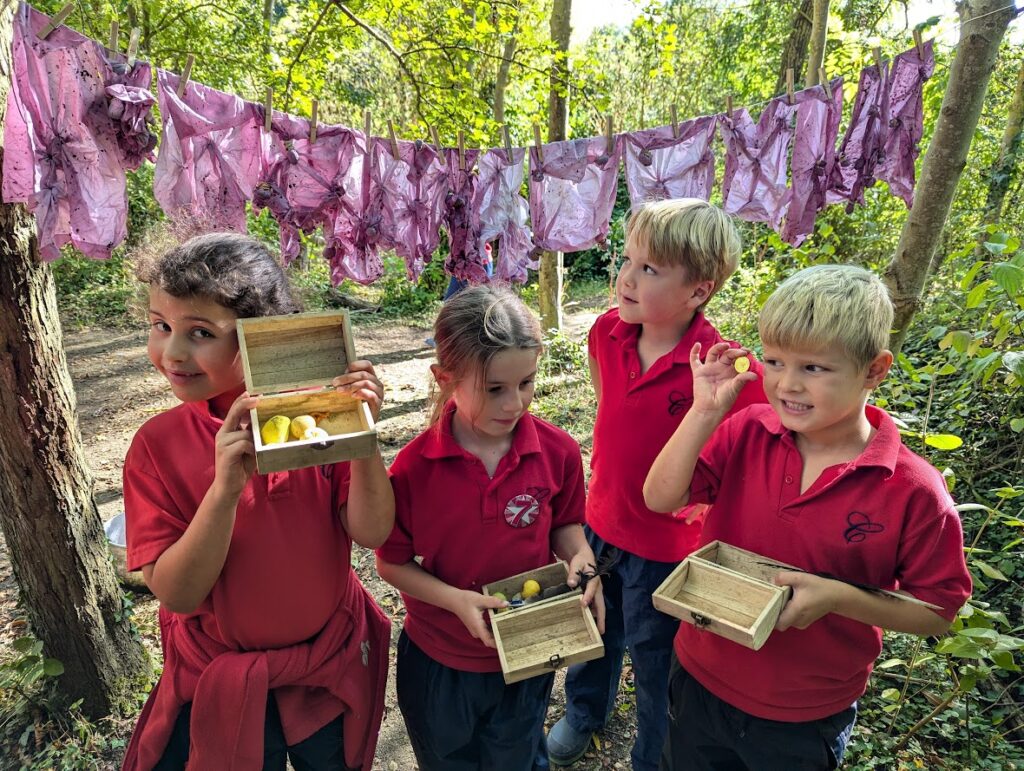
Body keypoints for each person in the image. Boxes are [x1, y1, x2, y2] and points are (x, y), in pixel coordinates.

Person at [643, 264, 972, 770]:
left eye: (814, 368)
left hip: (804, 713)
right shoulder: (748, 431)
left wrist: (839, 598)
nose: (787, 385)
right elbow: (660, 498)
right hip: (700, 675)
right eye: (774, 361)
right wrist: (704, 412)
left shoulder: (912, 489)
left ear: (874, 369)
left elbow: (938, 611)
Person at [121, 232, 395, 771]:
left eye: (200, 333)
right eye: (161, 325)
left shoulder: (316, 419)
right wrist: (224, 489)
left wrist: (360, 435)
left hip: (324, 669)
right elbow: (177, 593)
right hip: (225, 679)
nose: (173, 352)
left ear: (258, 339)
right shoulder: (157, 447)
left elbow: (373, 532)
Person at [547, 198, 766, 771]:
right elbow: (606, 404)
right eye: (627, 259)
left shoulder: (723, 368)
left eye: (648, 269)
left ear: (699, 290)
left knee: (655, 661)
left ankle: (652, 755)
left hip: (667, 550)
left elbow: (788, 412)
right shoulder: (606, 331)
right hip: (600, 524)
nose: (625, 277)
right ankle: (584, 712)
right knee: (591, 627)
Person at [376, 284, 605, 771]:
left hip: (525, 652)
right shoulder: (415, 469)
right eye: (495, 388)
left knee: (517, 755)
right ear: (445, 379)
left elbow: (565, 525)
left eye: (526, 382)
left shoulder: (557, 451)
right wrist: (455, 600)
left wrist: (582, 560)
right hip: (441, 658)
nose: (515, 403)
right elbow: (391, 563)